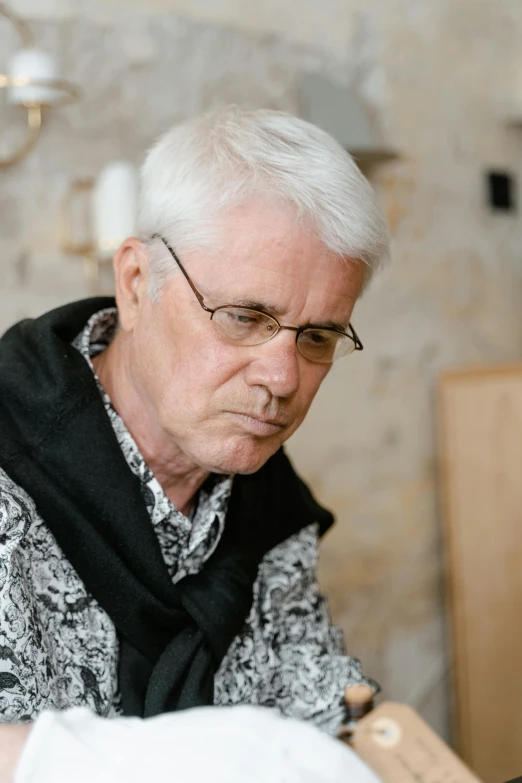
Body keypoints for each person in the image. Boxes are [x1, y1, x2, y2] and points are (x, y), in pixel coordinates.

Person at [0, 106, 389, 775]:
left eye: (318, 336)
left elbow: (327, 711)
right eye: (244, 317)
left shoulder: (268, 500)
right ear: (136, 283)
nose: (281, 377)